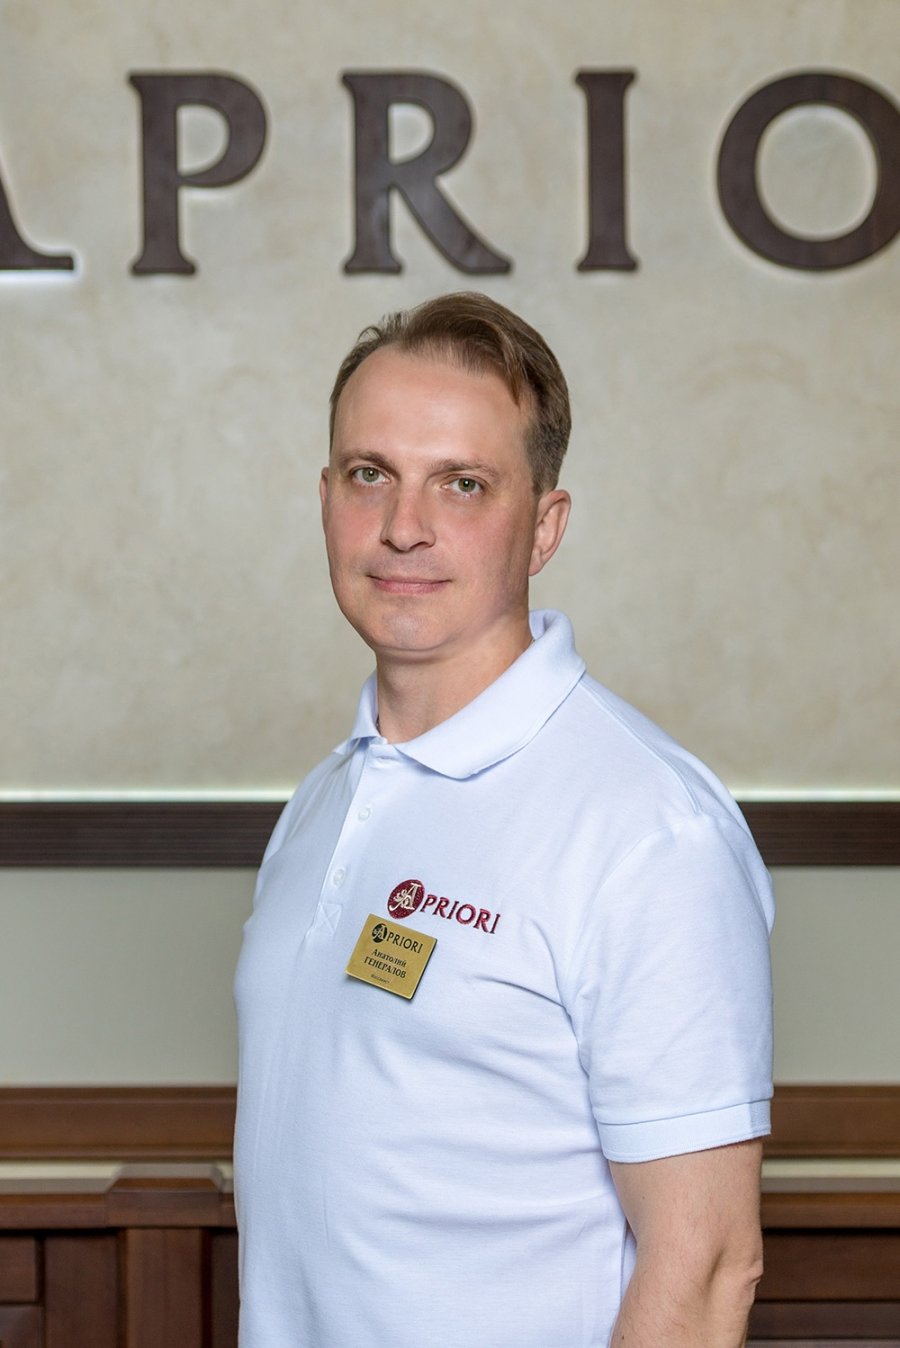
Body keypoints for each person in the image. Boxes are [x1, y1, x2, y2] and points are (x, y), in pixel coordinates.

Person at [234, 292, 774, 1347]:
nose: (404, 526)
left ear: (546, 527)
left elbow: (709, 1266)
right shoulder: (323, 801)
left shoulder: (650, 830)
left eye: (463, 484)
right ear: (326, 499)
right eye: (370, 474)